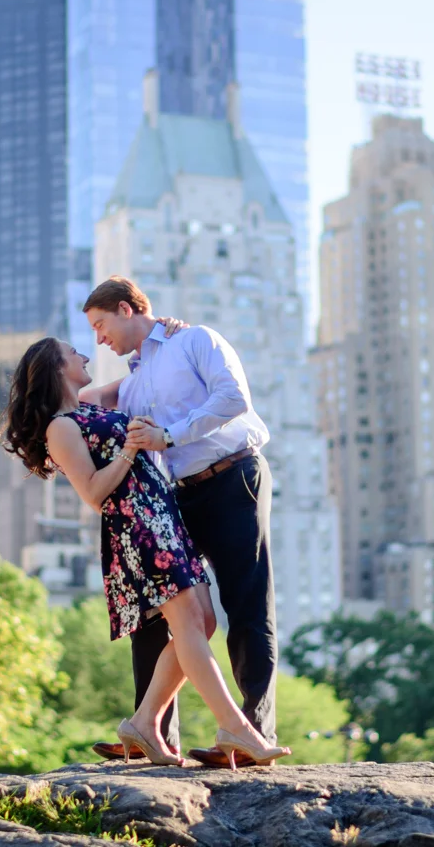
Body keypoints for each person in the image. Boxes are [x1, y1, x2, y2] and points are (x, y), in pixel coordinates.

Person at [0, 336, 289, 769]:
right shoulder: (60, 427)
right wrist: (130, 451)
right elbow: (95, 493)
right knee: (191, 623)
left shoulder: (88, 406)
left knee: (204, 622)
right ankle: (235, 726)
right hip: (138, 530)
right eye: (73, 353)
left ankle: (143, 722)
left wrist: (166, 336)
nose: (84, 353)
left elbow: (146, 380)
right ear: (57, 368)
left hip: (162, 520)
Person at [78, 276, 279, 769]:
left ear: (127, 309)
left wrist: (169, 435)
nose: (99, 339)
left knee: (246, 606)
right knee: (156, 614)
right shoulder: (133, 380)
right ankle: (152, 735)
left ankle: (252, 732)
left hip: (234, 478)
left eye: (101, 325)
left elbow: (233, 399)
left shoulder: (196, 339)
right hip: (178, 498)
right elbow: (78, 399)